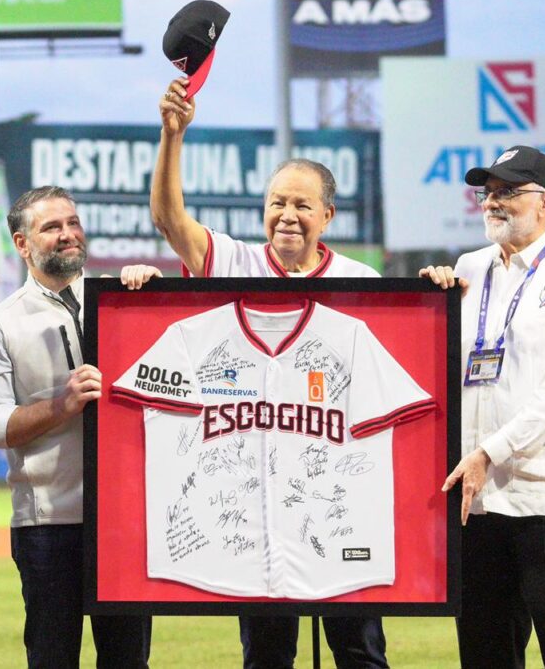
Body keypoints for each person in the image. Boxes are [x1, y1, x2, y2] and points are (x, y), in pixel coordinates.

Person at [152, 77, 389, 669]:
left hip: (335, 496)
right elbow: (168, 218)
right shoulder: (233, 260)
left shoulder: (362, 282)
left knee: (359, 650)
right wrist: (172, 134)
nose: (287, 215)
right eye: (277, 203)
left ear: (327, 216)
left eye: (302, 204)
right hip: (251, 500)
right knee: (267, 655)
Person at [421, 145, 545, 668]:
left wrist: (490, 451)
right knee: (486, 656)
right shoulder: (467, 268)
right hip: (480, 505)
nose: (493, 202)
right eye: (488, 192)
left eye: (508, 192)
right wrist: (425, 308)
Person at [0, 186, 154, 668]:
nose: (68, 234)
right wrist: (59, 405)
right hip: (48, 524)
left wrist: (155, 297)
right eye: (52, 227)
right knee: (52, 659)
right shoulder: (0, 324)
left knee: (129, 661)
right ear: (21, 243)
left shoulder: (122, 299)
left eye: (73, 222)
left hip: (124, 519)